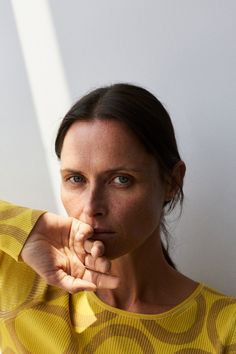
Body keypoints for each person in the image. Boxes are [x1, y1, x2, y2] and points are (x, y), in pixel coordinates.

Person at [0, 83, 236, 353]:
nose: (91, 206)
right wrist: (30, 229)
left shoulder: (225, 329)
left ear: (172, 182)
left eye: (121, 180)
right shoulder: (16, 281)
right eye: (75, 179)